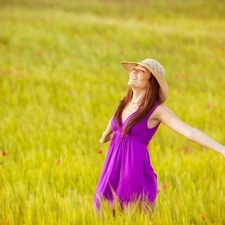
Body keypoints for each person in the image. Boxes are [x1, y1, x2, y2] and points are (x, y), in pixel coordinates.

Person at [93, 58, 225, 211]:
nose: (134, 71)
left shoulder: (157, 111)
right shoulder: (124, 104)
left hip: (132, 172)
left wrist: (221, 149)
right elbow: (114, 123)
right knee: (101, 210)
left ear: (150, 83)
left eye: (141, 70)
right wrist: (105, 135)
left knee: (127, 211)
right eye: (134, 68)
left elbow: (189, 132)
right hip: (111, 169)